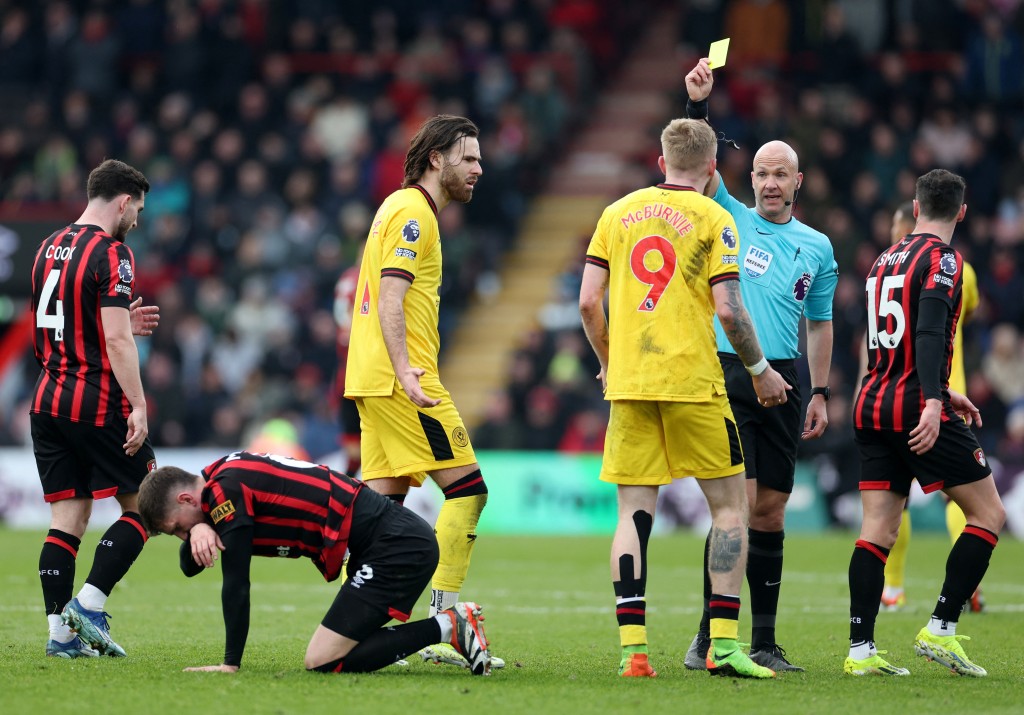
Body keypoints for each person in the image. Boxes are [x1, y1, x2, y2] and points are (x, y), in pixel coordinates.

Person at [579, 117, 791, 679]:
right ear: (713, 169)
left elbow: (587, 303)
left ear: (660, 162)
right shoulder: (715, 217)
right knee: (728, 509)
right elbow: (728, 309)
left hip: (631, 384)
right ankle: (723, 646)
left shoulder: (615, 214)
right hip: (694, 382)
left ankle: (634, 653)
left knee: (632, 513)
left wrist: (607, 362)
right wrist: (760, 369)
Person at [682, 59, 839, 672]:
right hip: (729, 374)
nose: (769, 183)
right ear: (747, 179)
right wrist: (698, 107)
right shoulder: (729, 215)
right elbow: (696, 162)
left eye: (781, 175)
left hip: (789, 379)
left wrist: (820, 391)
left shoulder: (818, 246)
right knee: (737, 509)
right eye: (761, 174)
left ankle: (764, 642)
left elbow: (820, 322)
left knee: (770, 510)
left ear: (798, 182)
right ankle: (709, 636)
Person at [343, 114, 504, 670]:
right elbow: (391, 296)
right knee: (468, 491)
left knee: (381, 511)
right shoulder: (416, 213)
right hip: (400, 380)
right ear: (437, 158)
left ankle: (362, 632)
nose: (479, 169)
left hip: (371, 376)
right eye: (469, 158)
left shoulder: (395, 205)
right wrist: (409, 371)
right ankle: (443, 627)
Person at [845, 169, 1004, 677]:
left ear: (914, 209)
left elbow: (886, 342)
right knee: (988, 515)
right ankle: (941, 629)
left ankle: (860, 651)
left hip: (873, 401)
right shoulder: (945, 260)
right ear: (961, 211)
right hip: (916, 407)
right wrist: (935, 399)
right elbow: (931, 330)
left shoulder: (880, 262)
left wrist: (940, 390)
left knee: (877, 529)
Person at [136, 451, 492, 675]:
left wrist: (231, 662)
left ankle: (450, 626)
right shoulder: (220, 478)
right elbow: (189, 565)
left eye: (179, 529)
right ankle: (449, 627)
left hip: (396, 545)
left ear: (186, 498)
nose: (185, 538)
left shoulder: (226, 494)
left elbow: (237, 582)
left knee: (322, 660)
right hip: (390, 542)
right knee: (336, 655)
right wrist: (198, 526)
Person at [30, 158, 160, 658]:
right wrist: (139, 405)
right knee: (146, 505)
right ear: (123, 202)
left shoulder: (46, 246)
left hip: (48, 401)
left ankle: (60, 637)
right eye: (138, 210)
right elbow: (114, 341)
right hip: (96, 402)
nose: (138, 221)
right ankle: (86, 606)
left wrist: (121, 321)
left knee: (69, 518)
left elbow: (62, 319)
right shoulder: (114, 254)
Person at [878, 202, 984, 613]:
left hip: (898, 394)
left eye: (894, 222)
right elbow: (966, 310)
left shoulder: (886, 265)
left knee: (892, 495)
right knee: (964, 501)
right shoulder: (963, 268)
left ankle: (893, 587)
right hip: (947, 391)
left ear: (910, 221)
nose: (891, 228)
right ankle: (967, 583)